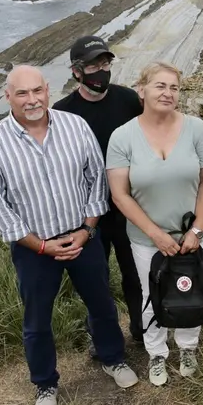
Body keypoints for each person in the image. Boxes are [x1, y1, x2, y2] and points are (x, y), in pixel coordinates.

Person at [0, 64, 139, 405]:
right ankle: (45, 383)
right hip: (33, 249)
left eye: (37, 91)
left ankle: (113, 358)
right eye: (22, 93)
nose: (32, 100)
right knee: (37, 320)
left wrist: (87, 229)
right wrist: (39, 245)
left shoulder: (75, 126)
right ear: (7, 97)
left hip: (82, 237)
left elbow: (96, 179)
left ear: (47, 90)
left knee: (102, 304)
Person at [106, 62, 203, 387]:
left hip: (193, 234)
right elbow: (120, 195)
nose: (168, 93)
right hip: (146, 239)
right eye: (160, 86)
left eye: (174, 87)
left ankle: (188, 347)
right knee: (150, 293)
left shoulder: (195, 128)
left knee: (190, 288)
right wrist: (155, 235)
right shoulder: (122, 136)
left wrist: (197, 229)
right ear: (141, 90)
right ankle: (156, 353)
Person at [52, 35, 145, 343]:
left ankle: (142, 330)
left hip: (129, 207)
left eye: (105, 63)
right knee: (96, 279)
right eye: (93, 66)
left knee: (135, 273)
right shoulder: (62, 113)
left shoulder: (128, 99)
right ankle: (101, 337)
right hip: (87, 214)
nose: (101, 71)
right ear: (76, 71)